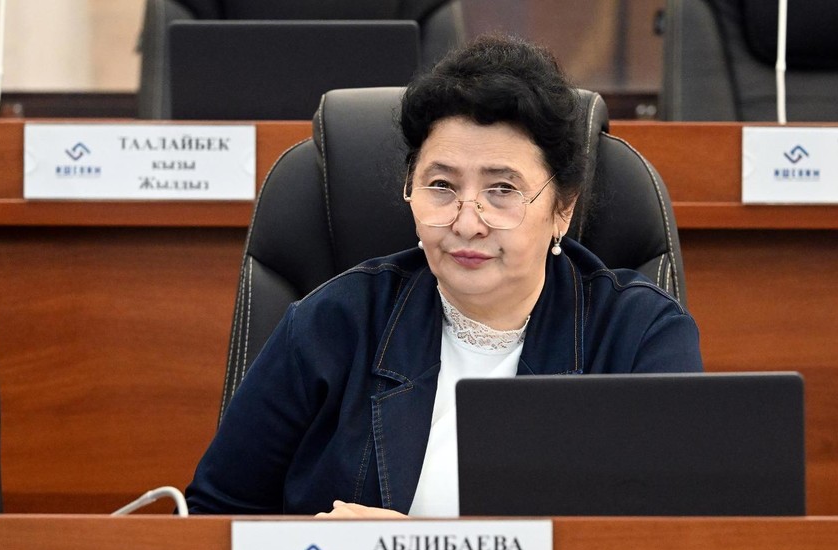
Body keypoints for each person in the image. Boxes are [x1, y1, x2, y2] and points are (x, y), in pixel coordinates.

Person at [185, 34, 703, 517]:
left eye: (502, 190)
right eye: (441, 186)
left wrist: (403, 549)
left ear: (562, 209)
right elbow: (211, 518)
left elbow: (679, 538)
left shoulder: (639, 336)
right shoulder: (330, 325)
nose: (467, 222)